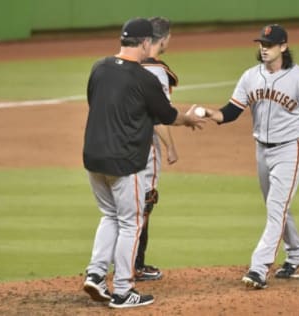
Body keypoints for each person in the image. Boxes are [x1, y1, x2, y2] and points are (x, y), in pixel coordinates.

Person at [82, 18, 205, 309]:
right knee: (130, 223)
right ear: (146, 43)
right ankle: (123, 290)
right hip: (125, 162)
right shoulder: (144, 78)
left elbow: (94, 102)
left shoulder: (99, 67)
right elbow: (167, 114)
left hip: (93, 158)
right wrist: (188, 119)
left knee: (109, 216)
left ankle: (96, 274)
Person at [201, 24, 299, 289]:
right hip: (262, 149)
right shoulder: (250, 76)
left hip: (290, 149)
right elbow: (231, 111)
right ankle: (296, 252)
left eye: (269, 44)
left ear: (283, 46)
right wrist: (209, 114)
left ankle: (258, 268)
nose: (264, 48)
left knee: (276, 207)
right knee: (277, 207)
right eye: (261, 43)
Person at [135, 16, 179, 282]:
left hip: (121, 146)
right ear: (162, 39)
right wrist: (171, 147)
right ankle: (134, 265)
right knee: (143, 205)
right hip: (145, 151)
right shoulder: (158, 71)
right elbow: (159, 116)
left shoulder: (125, 64)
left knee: (124, 208)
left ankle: (108, 264)